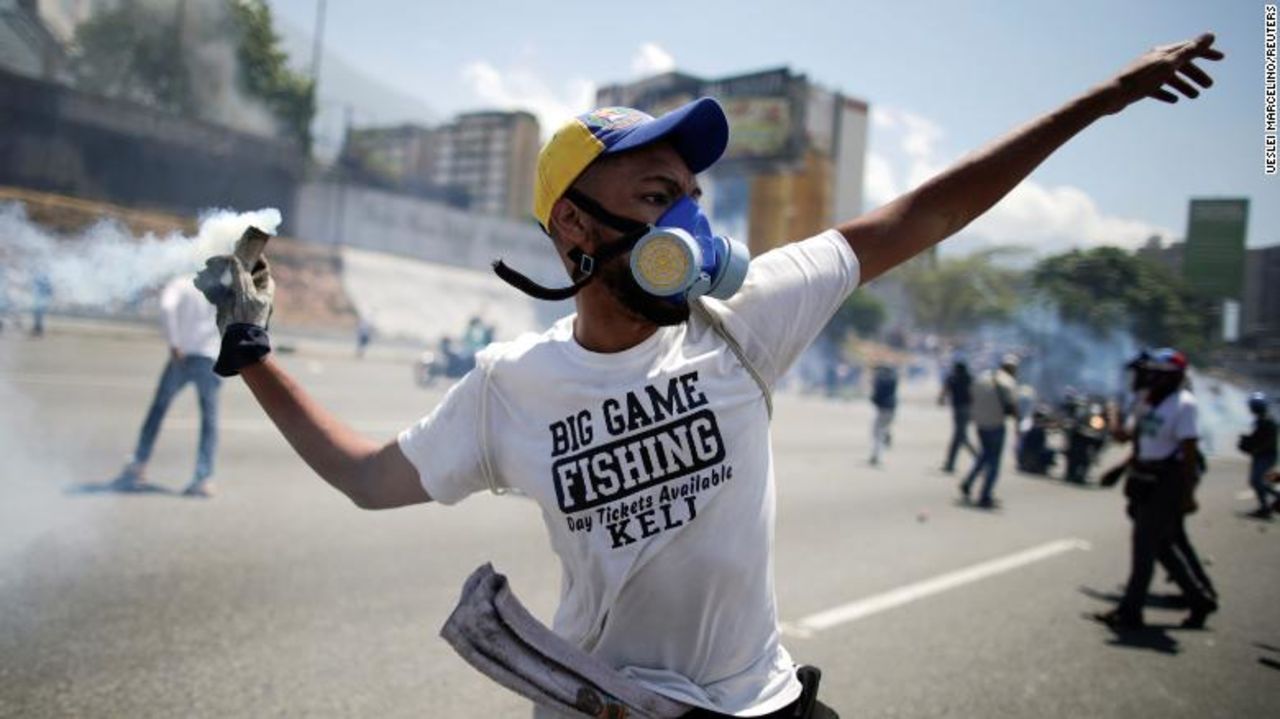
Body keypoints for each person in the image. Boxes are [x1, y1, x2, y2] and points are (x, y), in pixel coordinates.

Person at [194, 35, 1220, 717]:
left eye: (691, 194)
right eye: (655, 191)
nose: (687, 218)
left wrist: (1096, 102)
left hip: (765, 704)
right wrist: (251, 352)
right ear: (572, 227)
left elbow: (923, 212)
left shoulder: (743, 319)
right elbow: (367, 475)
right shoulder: (510, 384)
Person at [1094, 348, 1217, 630]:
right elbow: (1130, 439)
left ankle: (1130, 611)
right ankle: (1199, 598)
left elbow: (1188, 453)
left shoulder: (1183, 405)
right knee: (1161, 546)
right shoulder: (1145, 400)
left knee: (1144, 546)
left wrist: (1187, 495)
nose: (1152, 378)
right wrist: (1119, 464)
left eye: (1159, 374)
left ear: (1174, 377)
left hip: (1168, 481)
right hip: (1144, 477)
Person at [113, 274, 223, 497]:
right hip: (210, 357)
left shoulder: (182, 283)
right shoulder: (220, 286)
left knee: (158, 410)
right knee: (209, 421)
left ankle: (138, 464)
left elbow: (166, 307)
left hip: (182, 356)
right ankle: (203, 478)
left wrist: (174, 343)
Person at [960, 354, 1019, 508]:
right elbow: (1012, 407)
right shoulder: (1008, 383)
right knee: (994, 462)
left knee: (984, 455)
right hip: (995, 425)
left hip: (980, 424)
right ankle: (985, 495)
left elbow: (970, 396)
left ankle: (968, 482)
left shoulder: (983, 377)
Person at [1239, 392, 1279, 518]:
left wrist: (1255, 448)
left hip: (1266, 456)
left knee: (1258, 482)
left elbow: (1268, 440)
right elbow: (1258, 437)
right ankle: (1265, 508)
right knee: (1260, 482)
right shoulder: (1262, 420)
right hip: (1263, 455)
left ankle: (1268, 506)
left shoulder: (1268, 421)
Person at [939, 359, 975, 472]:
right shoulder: (969, 378)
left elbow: (944, 392)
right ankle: (951, 463)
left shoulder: (953, 378)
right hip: (966, 409)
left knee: (960, 437)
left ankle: (980, 460)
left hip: (959, 409)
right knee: (960, 437)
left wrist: (941, 399)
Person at [869, 364, 899, 466]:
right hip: (892, 408)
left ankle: (877, 455)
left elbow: (876, 396)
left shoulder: (880, 381)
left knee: (877, 432)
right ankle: (887, 436)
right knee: (882, 430)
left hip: (883, 409)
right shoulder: (893, 379)